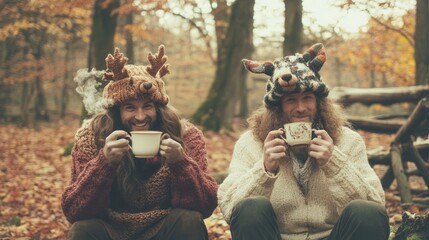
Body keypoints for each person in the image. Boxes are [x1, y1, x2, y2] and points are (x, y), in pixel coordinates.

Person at [217, 43, 389, 240]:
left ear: (319, 102)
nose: (300, 108)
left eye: (307, 98)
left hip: (333, 236)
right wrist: (264, 170)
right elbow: (230, 207)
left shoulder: (348, 140)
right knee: (250, 207)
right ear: (277, 107)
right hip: (276, 236)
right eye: (290, 100)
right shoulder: (251, 143)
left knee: (367, 212)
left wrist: (334, 163)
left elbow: (375, 205)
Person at [61, 45, 218, 240]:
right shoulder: (91, 137)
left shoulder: (186, 135)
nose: (140, 116)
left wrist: (181, 163)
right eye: (130, 108)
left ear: (159, 108)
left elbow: (205, 206)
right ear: (116, 111)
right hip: (112, 228)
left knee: (189, 219)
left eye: (147, 106)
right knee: (81, 228)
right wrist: (104, 163)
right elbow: (74, 210)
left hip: (164, 226)